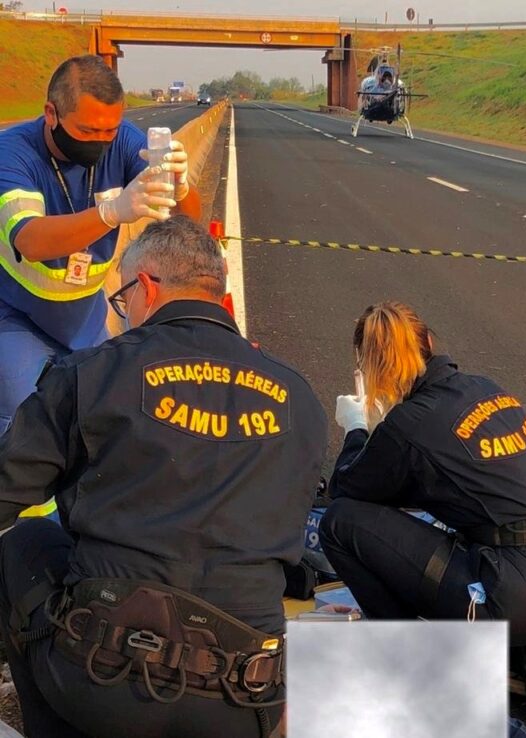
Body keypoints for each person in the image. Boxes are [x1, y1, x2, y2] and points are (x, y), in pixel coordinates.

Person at [0, 216, 327, 738]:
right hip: (247, 698)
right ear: (220, 298)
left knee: (24, 544)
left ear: (145, 289)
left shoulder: (94, 371)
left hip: (104, 680)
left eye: (122, 298)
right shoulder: (301, 397)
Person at [319, 301, 526, 722]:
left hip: (517, 594)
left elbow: (348, 489)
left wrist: (358, 429)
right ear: (431, 342)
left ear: (368, 369)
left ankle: (415, 659)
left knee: (341, 523)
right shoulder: (486, 388)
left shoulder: (408, 424)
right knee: (480, 528)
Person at [0, 54, 202, 435]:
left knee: (96, 421)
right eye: (89, 131)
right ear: (51, 113)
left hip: (85, 318)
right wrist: (111, 213)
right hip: (16, 315)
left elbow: (187, 219)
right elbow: (30, 239)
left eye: (109, 131)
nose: (101, 142)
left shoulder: (123, 139)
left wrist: (180, 182)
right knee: (20, 419)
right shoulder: (12, 152)